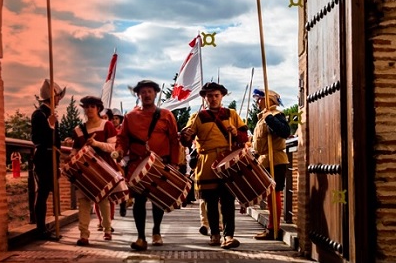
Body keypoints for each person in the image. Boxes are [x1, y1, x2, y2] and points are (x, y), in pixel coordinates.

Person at [180, 82, 248, 249]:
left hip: (227, 161)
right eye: (209, 96)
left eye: (216, 95)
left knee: (228, 201)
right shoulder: (197, 117)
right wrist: (186, 135)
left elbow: (245, 137)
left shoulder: (231, 114)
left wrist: (235, 133)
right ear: (205, 97)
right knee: (210, 201)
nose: (213, 99)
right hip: (207, 161)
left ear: (222, 96)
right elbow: (186, 140)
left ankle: (229, 236)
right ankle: (214, 235)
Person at [115, 80, 180, 251]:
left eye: (150, 91)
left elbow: (174, 140)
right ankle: (141, 237)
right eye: (143, 92)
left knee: (158, 200)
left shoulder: (166, 115)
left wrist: (175, 164)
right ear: (138, 95)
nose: (146, 94)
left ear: (155, 93)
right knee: (139, 201)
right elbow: (122, 139)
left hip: (160, 163)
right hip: (137, 163)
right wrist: (119, 150)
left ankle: (156, 231)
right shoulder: (130, 117)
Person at [71, 96, 118, 246]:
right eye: (86, 106)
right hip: (84, 170)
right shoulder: (78, 130)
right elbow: (74, 150)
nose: (89, 109)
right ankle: (84, 235)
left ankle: (107, 229)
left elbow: (112, 147)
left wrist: (96, 143)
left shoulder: (107, 125)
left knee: (103, 200)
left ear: (98, 108)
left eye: (92, 106)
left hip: (102, 168)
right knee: (83, 201)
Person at [251, 88, 291, 240]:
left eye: (260, 98)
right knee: (269, 196)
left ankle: (275, 228)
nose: (257, 102)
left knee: (274, 195)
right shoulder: (262, 117)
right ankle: (271, 227)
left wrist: (270, 119)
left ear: (269, 100)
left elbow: (285, 132)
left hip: (276, 160)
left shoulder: (276, 115)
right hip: (265, 160)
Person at [31, 79, 66, 240]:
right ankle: (40, 230)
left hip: (52, 157)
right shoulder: (39, 114)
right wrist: (49, 126)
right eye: (58, 96)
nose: (59, 100)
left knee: (50, 192)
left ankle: (46, 227)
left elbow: (56, 142)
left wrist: (58, 160)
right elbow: (37, 138)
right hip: (43, 157)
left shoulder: (51, 115)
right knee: (43, 193)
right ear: (51, 97)